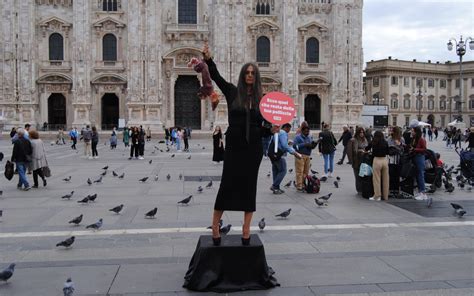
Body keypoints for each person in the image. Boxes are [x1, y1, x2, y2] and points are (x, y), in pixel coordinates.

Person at [203, 42, 273, 246]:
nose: (250, 75)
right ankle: (215, 226)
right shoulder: (233, 92)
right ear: (243, 75)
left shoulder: (262, 99)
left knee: (249, 187)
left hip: (253, 149)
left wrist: (272, 129)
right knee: (227, 184)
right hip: (234, 146)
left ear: (256, 77)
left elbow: (262, 127)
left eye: (253, 73)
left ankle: (245, 228)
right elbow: (216, 76)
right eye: (247, 72)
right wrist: (208, 59)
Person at [270, 123, 302, 194]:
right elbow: (284, 146)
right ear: (286, 128)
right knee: (283, 171)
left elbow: (276, 142)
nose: (289, 131)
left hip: (272, 154)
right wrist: (294, 153)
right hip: (279, 155)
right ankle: (275, 186)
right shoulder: (283, 133)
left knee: (276, 170)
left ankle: (276, 188)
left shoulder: (277, 132)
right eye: (289, 129)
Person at [365, 131, 389, 201]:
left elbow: (367, 148)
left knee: (376, 179)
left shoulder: (374, 142)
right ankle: (385, 196)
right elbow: (388, 152)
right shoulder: (385, 142)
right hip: (384, 160)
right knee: (386, 179)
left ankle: (377, 196)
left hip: (377, 160)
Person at [293, 125, 317, 192]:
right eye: (306, 131)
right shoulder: (297, 137)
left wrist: (314, 145)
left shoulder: (309, 137)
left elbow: (311, 146)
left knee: (306, 172)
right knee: (299, 171)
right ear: (302, 131)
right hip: (300, 155)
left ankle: (303, 184)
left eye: (308, 131)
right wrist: (304, 144)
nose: (307, 132)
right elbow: (295, 146)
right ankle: (299, 185)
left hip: (308, 156)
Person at [411, 126, 428, 200]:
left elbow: (424, 149)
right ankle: (420, 191)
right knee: (418, 175)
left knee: (420, 174)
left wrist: (415, 149)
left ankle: (423, 192)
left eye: (413, 131)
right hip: (416, 157)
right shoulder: (415, 139)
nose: (412, 132)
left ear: (416, 132)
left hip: (420, 157)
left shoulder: (421, 139)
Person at [351, 127, 369, 194]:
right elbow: (355, 150)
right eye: (360, 132)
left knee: (362, 175)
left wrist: (366, 150)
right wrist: (361, 150)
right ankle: (359, 190)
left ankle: (363, 188)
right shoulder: (355, 140)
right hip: (357, 160)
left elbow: (367, 147)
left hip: (364, 159)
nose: (362, 134)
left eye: (363, 132)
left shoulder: (365, 139)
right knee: (357, 176)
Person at [387, 126, 404, 198]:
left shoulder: (401, 139)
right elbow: (387, 148)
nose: (391, 132)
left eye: (393, 131)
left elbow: (403, 150)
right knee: (391, 175)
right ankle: (391, 190)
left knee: (397, 176)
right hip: (391, 160)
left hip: (398, 160)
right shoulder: (389, 139)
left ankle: (396, 190)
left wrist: (399, 144)